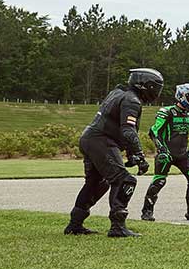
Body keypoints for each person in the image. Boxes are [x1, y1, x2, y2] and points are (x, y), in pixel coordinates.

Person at [66, 68, 163, 237]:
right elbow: (128, 131)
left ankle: (75, 225)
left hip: (90, 139)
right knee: (125, 181)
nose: (156, 92)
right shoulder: (132, 100)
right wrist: (140, 155)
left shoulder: (118, 93)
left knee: (96, 183)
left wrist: (131, 154)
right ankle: (117, 226)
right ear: (145, 86)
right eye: (155, 87)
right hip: (101, 141)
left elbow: (118, 126)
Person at [140, 84, 189, 221]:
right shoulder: (167, 111)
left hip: (183, 154)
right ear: (183, 97)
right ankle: (147, 212)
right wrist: (161, 149)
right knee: (159, 181)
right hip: (166, 153)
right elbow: (154, 132)